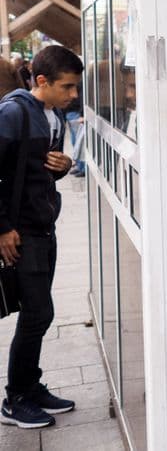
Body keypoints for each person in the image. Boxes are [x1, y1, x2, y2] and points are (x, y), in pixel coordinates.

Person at [0, 45, 81, 429]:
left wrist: (64, 167)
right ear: (42, 81)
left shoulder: (54, 116)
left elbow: (43, 171)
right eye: (67, 87)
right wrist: (2, 228)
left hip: (43, 227)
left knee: (37, 314)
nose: (73, 95)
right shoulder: (13, 113)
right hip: (23, 231)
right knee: (38, 312)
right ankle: (16, 399)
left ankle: (29, 388)